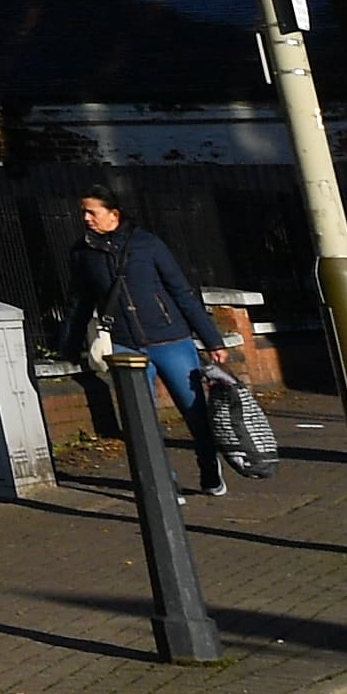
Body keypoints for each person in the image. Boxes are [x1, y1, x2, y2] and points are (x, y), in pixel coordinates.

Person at [72, 191, 257, 493]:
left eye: (92, 212)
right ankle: (165, 486)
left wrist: (212, 340)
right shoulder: (83, 252)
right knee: (142, 423)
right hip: (124, 345)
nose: (86, 218)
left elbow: (181, 291)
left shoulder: (147, 244)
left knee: (196, 413)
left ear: (113, 213)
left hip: (171, 340)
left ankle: (210, 471)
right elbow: (78, 301)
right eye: (84, 212)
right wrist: (68, 347)